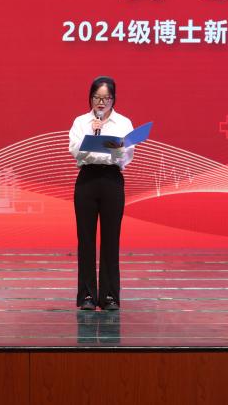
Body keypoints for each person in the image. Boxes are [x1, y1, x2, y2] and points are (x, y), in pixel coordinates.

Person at [67, 75, 133, 311]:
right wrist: (95, 138)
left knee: (110, 239)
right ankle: (87, 295)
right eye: (97, 97)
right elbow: (75, 150)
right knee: (85, 239)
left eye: (106, 98)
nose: (101, 102)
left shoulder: (123, 123)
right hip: (87, 180)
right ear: (90, 98)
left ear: (114, 99)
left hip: (111, 180)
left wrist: (108, 146)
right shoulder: (81, 122)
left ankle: (110, 296)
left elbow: (126, 154)